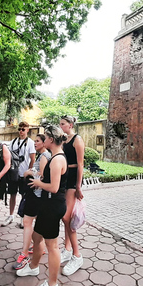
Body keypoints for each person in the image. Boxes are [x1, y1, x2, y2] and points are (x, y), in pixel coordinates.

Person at [16, 125, 67, 286]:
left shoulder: (58, 158)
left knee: (52, 246)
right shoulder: (54, 156)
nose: (43, 140)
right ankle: (33, 267)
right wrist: (40, 180)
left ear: (51, 140)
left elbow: (54, 187)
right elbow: (49, 181)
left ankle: (52, 283)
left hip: (53, 206)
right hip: (47, 205)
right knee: (37, 238)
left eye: (45, 137)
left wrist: (39, 182)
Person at [13, 134, 51, 270]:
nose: (35, 143)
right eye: (34, 141)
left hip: (37, 195)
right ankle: (36, 247)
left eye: (38, 141)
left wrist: (29, 173)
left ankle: (24, 253)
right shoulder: (42, 155)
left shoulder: (44, 156)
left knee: (28, 222)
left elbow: (43, 175)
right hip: (36, 195)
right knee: (32, 223)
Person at [59, 115, 85, 275]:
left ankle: (77, 255)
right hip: (64, 177)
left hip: (73, 178)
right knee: (65, 217)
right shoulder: (63, 140)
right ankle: (67, 249)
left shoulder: (77, 140)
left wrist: (78, 186)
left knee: (66, 217)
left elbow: (81, 163)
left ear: (70, 125)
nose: (61, 126)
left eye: (62, 124)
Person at [2, 121, 36, 227]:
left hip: (24, 173)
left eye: (23, 129)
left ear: (27, 130)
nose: (21, 131)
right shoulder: (13, 142)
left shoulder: (30, 143)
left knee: (23, 195)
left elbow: (32, 158)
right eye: (19, 129)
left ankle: (22, 216)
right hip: (14, 172)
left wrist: (29, 171)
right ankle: (11, 215)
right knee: (12, 194)